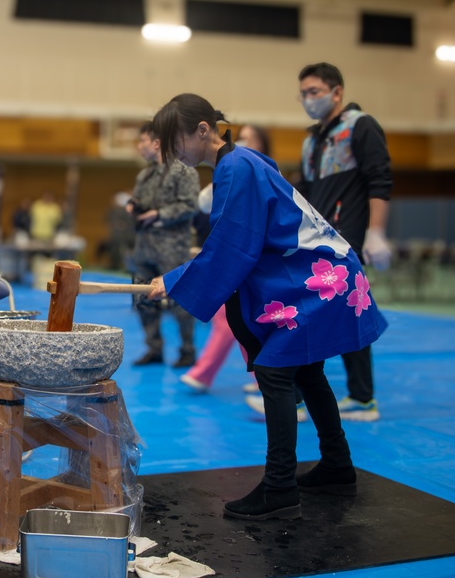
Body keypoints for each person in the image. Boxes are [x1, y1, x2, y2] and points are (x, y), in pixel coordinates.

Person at [147, 93, 388, 520]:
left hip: (322, 277)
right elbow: (243, 241)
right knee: (307, 370)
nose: (172, 154)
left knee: (276, 371)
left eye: (174, 142)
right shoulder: (242, 163)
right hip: (325, 272)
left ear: (203, 130)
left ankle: (279, 487)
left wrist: (173, 279)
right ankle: (337, 466)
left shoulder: (236, 167)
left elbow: (234, 244)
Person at [296, 62, 393, 422]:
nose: (308, 100)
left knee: (323, 312)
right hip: (317, 239)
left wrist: (376, 232)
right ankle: (361, 397)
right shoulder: (311, 140)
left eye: (315, 92)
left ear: (337, 92)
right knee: (349, 312)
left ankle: (299, 397)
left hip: (347, 238)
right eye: (303, 94)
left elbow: (380, 179)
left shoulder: (360, 126)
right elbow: (303, 194)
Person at [181, 125, 266, 395]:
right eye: (242, 137)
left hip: (252, 264)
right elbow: (205, 206)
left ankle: (270, 384)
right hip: (236, 262)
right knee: (234, 320)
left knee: (238, 320)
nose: (243, 142)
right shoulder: (230, 167)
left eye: (250, 139)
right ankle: (263, 380)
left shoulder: (256, 170)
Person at [128, 121, 199, 367]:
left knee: (180, 299)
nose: (139, 146)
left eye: (142, 141)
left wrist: (159, 214)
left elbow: (190, 206)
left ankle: (188, 350)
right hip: (144, 246)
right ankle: (153, 348)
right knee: (141, 297)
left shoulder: (184, 171)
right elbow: (138, 202)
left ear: (156, 143)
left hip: (172, 247)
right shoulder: (144, 175)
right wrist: (133, 207)